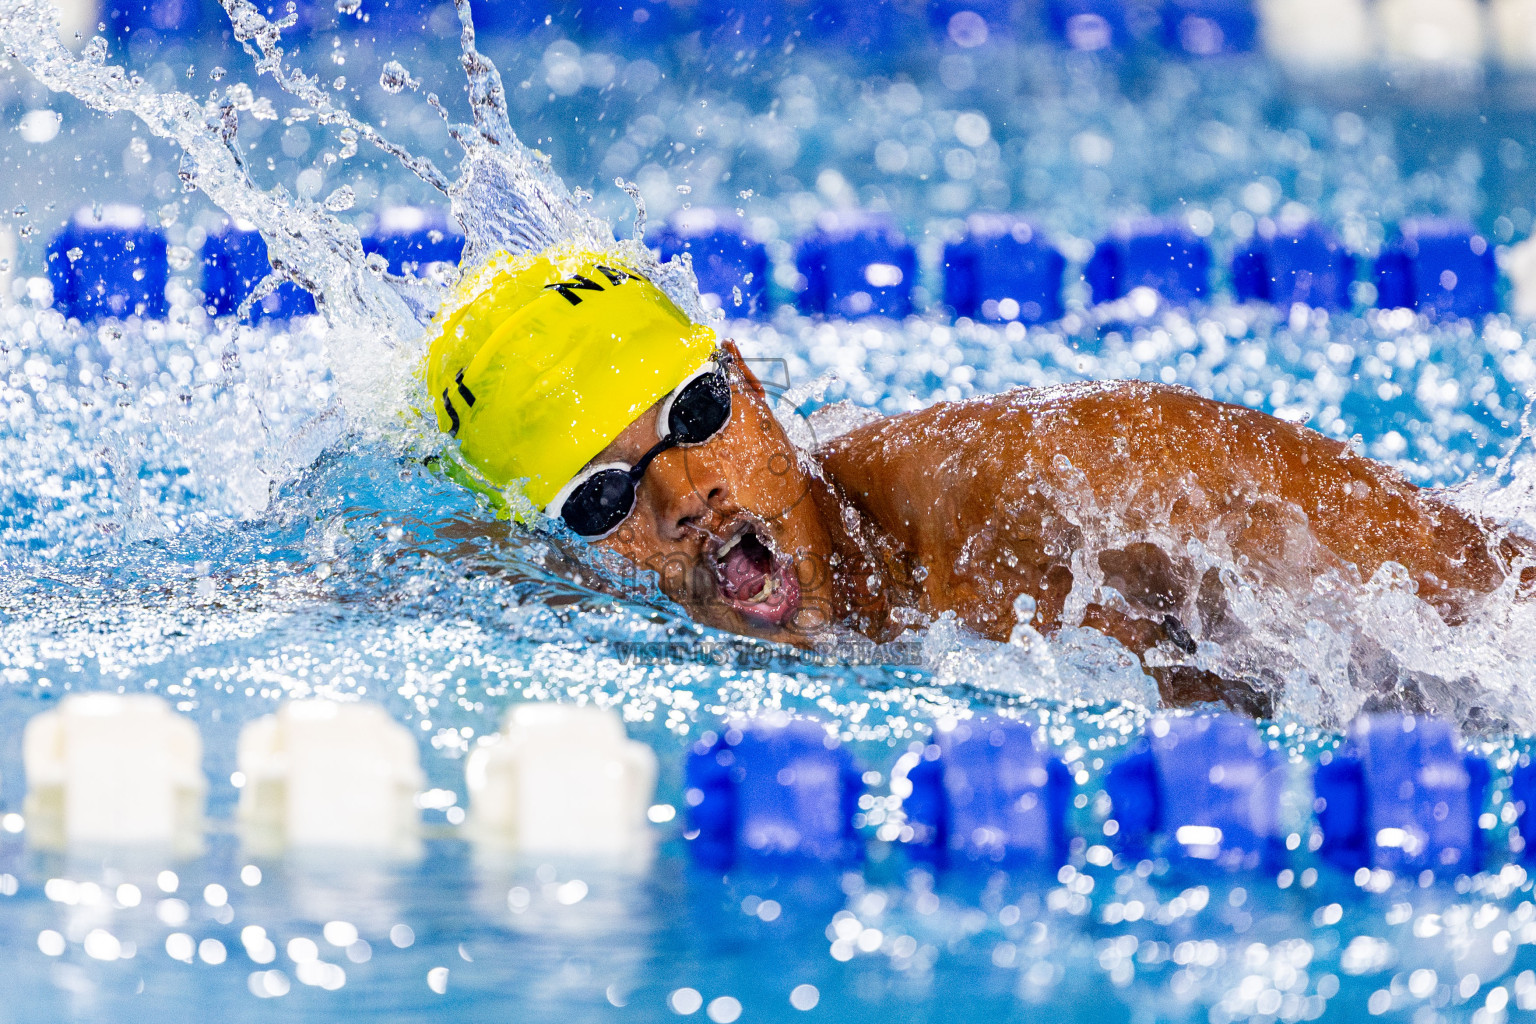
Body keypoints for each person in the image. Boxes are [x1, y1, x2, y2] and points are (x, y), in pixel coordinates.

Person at [423, 247, 1533, 711]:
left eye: (696, 418)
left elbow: (1479, 587)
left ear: (748, 380)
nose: (684, 499)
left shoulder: (1075, 477)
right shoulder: (586, 602)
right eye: (601, 500)